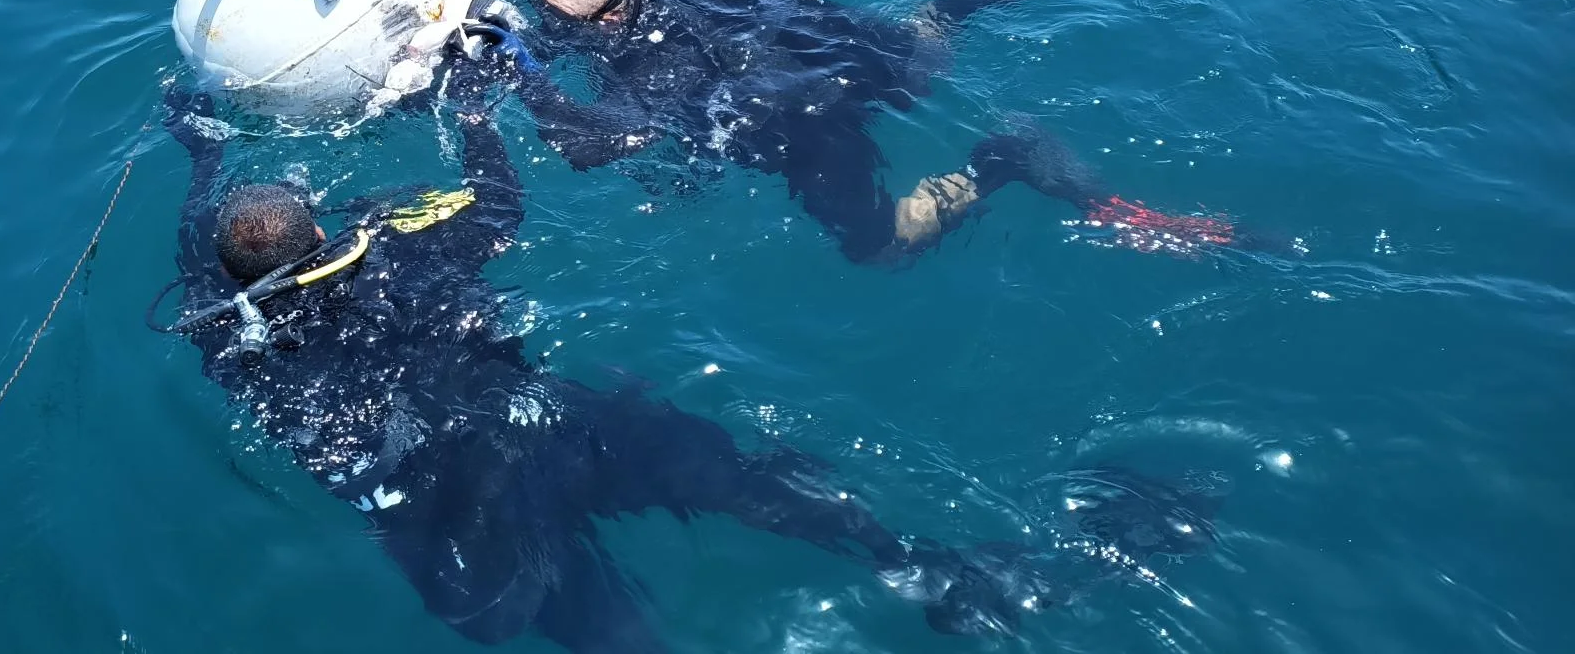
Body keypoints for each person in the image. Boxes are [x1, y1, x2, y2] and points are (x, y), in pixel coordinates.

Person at [152, 79, 1223, 649]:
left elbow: (211, 228)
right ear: (321, 233)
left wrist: (198, 149)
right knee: (753, 481)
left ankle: (932, 573)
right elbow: (505, 207)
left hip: (454, 529)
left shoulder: (216, 323)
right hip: (540, 428)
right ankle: (938, 571)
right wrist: (475, 114)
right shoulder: (400, 250)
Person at [486, 0, 1265, 263]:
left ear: (604, 21)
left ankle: (1000, 164)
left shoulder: (646, 73)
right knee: (937, 22)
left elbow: (590, 145)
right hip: (879, 60)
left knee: (878, 245)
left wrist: (518, 66)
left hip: (811, 128)